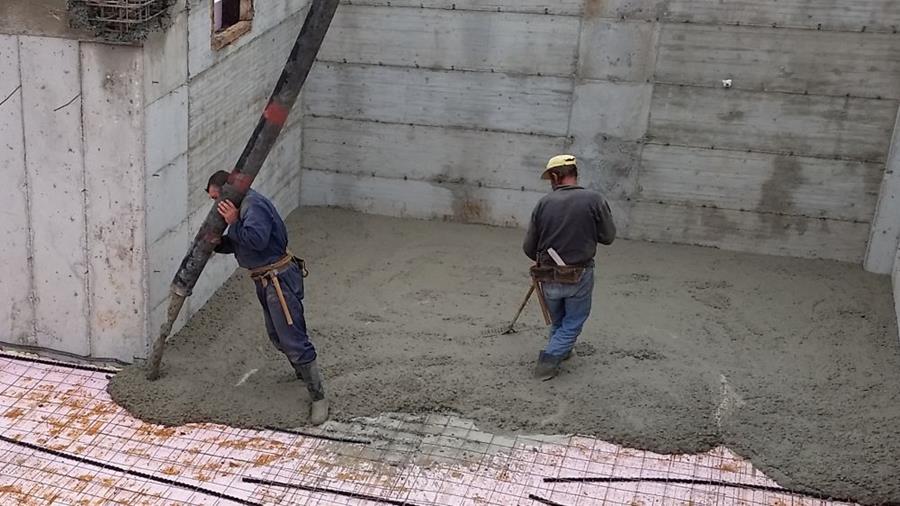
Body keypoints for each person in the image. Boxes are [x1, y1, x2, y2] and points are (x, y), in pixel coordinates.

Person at [206, 171, 328, 425]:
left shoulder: (253, 206)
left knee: (293, 338)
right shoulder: (243, 207)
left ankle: (318, 397)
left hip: (278, 280)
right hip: (265, 279)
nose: (216, 205)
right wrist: (219, 243)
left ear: (227, 193)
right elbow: (240, 243)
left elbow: (256, 240)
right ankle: (302, 372)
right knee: (277, 335)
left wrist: (234, 222)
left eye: (217, 198)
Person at [523, 155, 616, 380]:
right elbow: (608, 237)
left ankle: (562, 351)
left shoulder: (544, 203)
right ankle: (549, 360)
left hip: (548, 275)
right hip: (579, 273)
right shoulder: (595, 200)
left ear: (556, 176)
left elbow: (529, 247)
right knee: (573, 321)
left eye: (550, 178)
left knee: (559, 320)